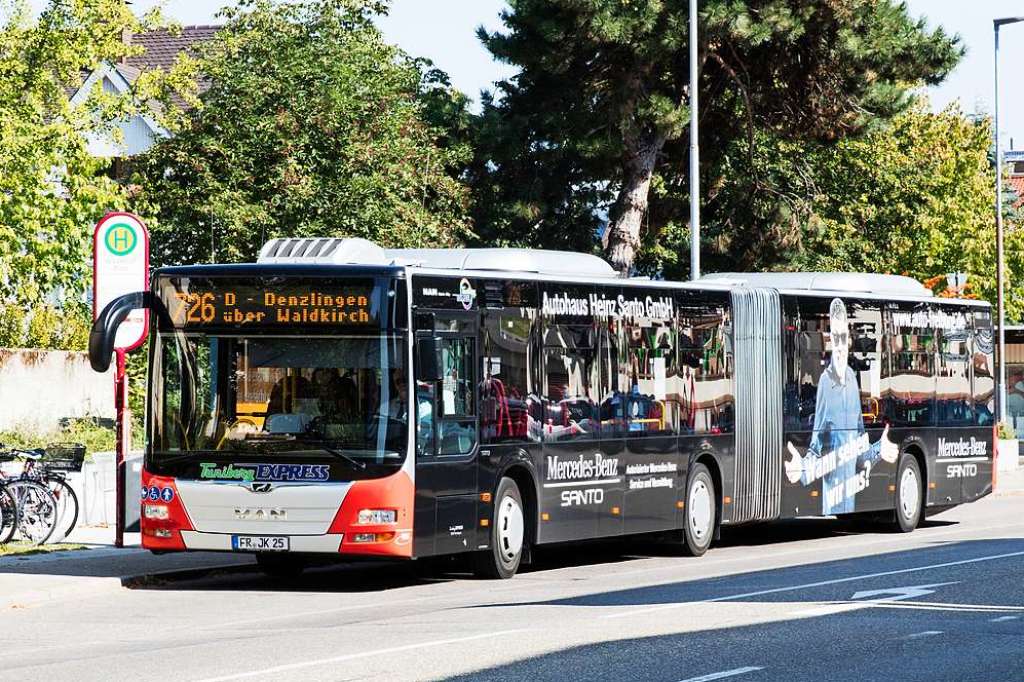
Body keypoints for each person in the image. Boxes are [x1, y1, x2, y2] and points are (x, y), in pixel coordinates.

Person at [784, 298, 899, 515]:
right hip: (833, 498)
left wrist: (878, 450)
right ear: (829, 342)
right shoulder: (825, 384)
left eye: (842, 338)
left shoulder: (851, 378)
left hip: (852, 496)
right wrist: (802, 471)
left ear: (848, 341)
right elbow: (815, 448)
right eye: (834, 339)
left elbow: (860, 449)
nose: (839, 346)